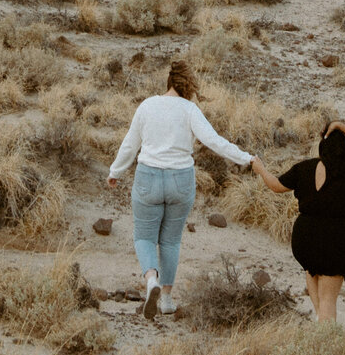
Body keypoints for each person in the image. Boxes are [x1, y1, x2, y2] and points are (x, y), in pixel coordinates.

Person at [107, 58, 253, 318]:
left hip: (148, 178)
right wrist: (246, 158)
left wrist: (115, 171)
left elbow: (130, 144)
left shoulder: (147, 105)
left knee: (144, 237)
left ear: (168, 82)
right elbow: (213, 141)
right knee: (171, 241)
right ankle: (166, 299)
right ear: (188, 85)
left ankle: (151, 279)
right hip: (181, 180)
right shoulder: (189, 110)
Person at [257, 120, 345, 321]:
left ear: (322, 146)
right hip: (333, 236)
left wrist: (259, 168)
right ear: (343, 148)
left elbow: (276, 185)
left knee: (318, 292)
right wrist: (339, 125)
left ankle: (321, 333)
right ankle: (325, 343)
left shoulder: (304, 168)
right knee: (329, 299)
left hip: (304, 237)